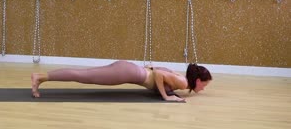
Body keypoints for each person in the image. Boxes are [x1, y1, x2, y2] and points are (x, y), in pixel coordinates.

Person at [31, 60, 212, 102]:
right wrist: (167, 96)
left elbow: (156, 69)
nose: (203, 88)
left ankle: (41, 78)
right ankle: (40, 77)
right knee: (83, 76)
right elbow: (158, 74)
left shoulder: (181, 79)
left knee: (84, 75)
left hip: (128, 70)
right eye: (204, 84)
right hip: (127, 72)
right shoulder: (182, 82)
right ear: (197, 80)